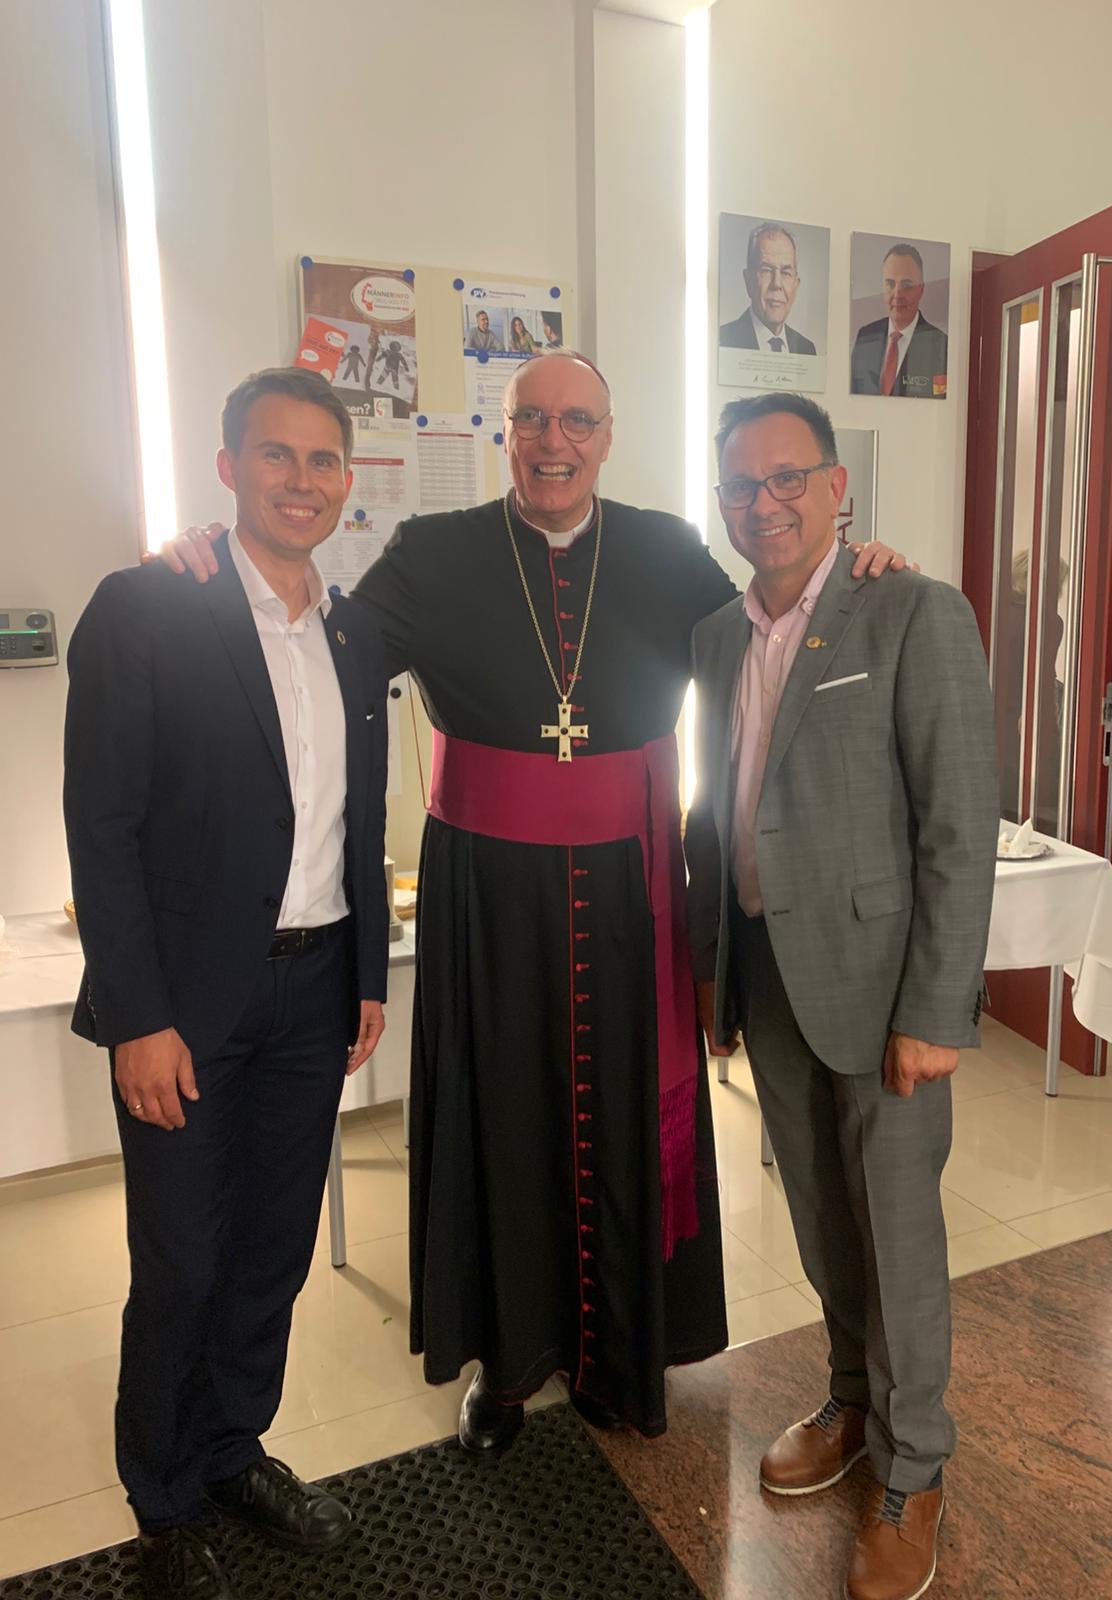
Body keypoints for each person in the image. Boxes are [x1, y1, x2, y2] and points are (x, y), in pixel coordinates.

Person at [155, 351, 910, 1459]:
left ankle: (616, 1355)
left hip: (629, 887)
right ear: (504, 433)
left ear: (607, 436)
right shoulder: (435, 551)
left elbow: (773, 621)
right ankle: (504, 1365)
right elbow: (316, 646)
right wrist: (210, 569)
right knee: (499, 1116)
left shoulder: (663, 548)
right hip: (488, 898)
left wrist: (862, 568)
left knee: (619, 1114)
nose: (555, 442)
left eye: (577, 421)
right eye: (532, 422)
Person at [64, 368, 390, 1600]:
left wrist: (367, 973)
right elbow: (102, 826)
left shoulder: (354, 631)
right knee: (183, 1262)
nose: (301, 480)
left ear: (347, 478)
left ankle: (233, 1448)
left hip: (316, 991)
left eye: (323, 459)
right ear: (228, 469)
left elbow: (360, 818)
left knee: (271, 1250)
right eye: (275, 455)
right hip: (187, 1006)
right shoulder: (150, 606)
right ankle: (163, 1500)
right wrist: (137, 1017)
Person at [686, 392, 996, 1600]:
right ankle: (854, 1401)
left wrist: (936, 1009)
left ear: (836, 487)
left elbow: (958, 826)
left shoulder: (912, 608)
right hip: (770, 974)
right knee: (821, 1215)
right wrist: (718, 971)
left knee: (897, 1229)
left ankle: (915, 1466)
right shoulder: (718, 636)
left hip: (881, 994)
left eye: (787, 478)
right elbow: (725, 807)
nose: (763, 503)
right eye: (741, 484)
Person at [851, 243, 948, 398]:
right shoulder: (865, 337)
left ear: (921, 290)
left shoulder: (940, 346)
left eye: (906, 285)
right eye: (890, 283)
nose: (897, 294)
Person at [719, 222, 817, 355]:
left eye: (786, 272)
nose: (776, 284)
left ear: (796, 286)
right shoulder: (724, 339)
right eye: (766, 270)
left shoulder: (807, 349)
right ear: (748, 281)